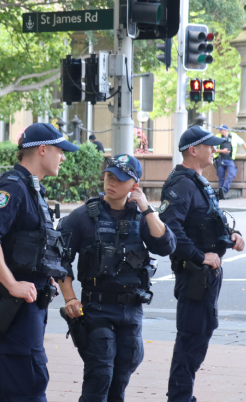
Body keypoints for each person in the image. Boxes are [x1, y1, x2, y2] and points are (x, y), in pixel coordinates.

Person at [0, 123, 77, 401]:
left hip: (29, 305)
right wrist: (12, 283)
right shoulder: (14, 187)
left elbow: (25, 243)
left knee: (13, 385)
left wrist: (45, 274)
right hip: (14, 305)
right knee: (29, 383)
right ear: (42, 149)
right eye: (59, 150)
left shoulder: (32, 188)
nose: (63, 157)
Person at [58, 154, 176, 401]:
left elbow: (166, 246)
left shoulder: (140, 216)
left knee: (123, 373)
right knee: (100, 375)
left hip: (131, 309)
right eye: (109, 176)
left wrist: (146, 207)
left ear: (134, 185)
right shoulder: (82, 217)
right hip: (96, 308)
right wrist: (69, 299)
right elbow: (60, 260)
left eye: (119, 179)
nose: (111, 182)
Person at [160, 126, 246, 402]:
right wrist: (200, 256)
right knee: (191, 339)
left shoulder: (197, 181)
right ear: (193, 150)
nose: (215, 149)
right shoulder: (183, 183)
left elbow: (206, 222)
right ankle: (180, 398)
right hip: (195, 275)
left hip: (206, 275)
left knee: (200, 334)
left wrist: (232, 236)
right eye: (209, 145)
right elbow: (170, 227)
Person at [213, 125, 246, 195]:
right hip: (220, 160)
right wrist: (222, 151)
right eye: (219, 129)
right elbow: (213, 149)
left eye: (221, 130)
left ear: (226, 130)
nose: (220, 131)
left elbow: (242, 142)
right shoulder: (217, 137)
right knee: (221, 177)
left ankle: (223, 190)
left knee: (232, 174)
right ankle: (220, 194)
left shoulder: (234, 136)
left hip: (229, 160)